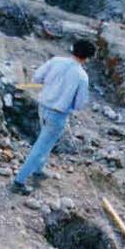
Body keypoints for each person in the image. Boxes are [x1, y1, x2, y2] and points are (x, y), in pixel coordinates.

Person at [11, 38, 96, 194]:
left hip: (42, 107)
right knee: (41, 146)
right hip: (58, 115)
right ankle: (19, 181)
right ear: (87, 58)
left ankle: (38, 170)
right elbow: (79, 104)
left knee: (46, 143)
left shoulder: (56, 60)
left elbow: (37, 77)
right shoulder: (82, 76)